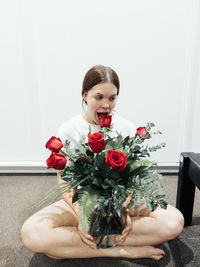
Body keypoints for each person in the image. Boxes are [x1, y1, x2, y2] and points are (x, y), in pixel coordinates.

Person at [21, 65, 184, 260]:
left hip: (120, 200)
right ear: (85, 95)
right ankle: (120, 250)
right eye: (99, 97)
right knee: (32, 232)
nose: (106, 105)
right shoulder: (68, 129)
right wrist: (82, 215)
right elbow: (64, 180)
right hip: (81, 201)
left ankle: (74, 247)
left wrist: (123, 209)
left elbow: (131, 178)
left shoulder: (126, 127)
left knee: (174, 221)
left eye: (112, 98)